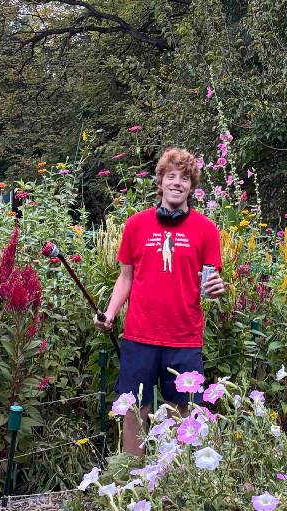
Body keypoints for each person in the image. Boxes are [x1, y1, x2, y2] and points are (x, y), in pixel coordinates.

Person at [93, 147, 226, 456]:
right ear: (161, 182)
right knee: (134, 409)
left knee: (182, 411)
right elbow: (125, 277)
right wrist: (110, 314)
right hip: (139, 335)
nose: (177, 183)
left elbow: (210, 284)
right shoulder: (136, 225)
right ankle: (131, 477)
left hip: (184, 338)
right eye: (171, 176)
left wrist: (217, 289)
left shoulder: (206, 231)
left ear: (192, 186)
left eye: (184, 178)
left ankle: (175, 480)